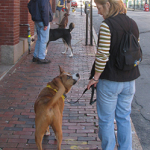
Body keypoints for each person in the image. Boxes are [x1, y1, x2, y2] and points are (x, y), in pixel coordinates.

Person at [87, 0, 140, 150]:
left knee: (106, 120)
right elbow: (135, 50)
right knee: (124, 118)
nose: (98, 11)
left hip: (110, 80)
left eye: (99, 7)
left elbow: (103, 56)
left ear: (108, 5)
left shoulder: (107, 25)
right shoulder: (133, 23)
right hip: (129, 81)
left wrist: (95, 78)